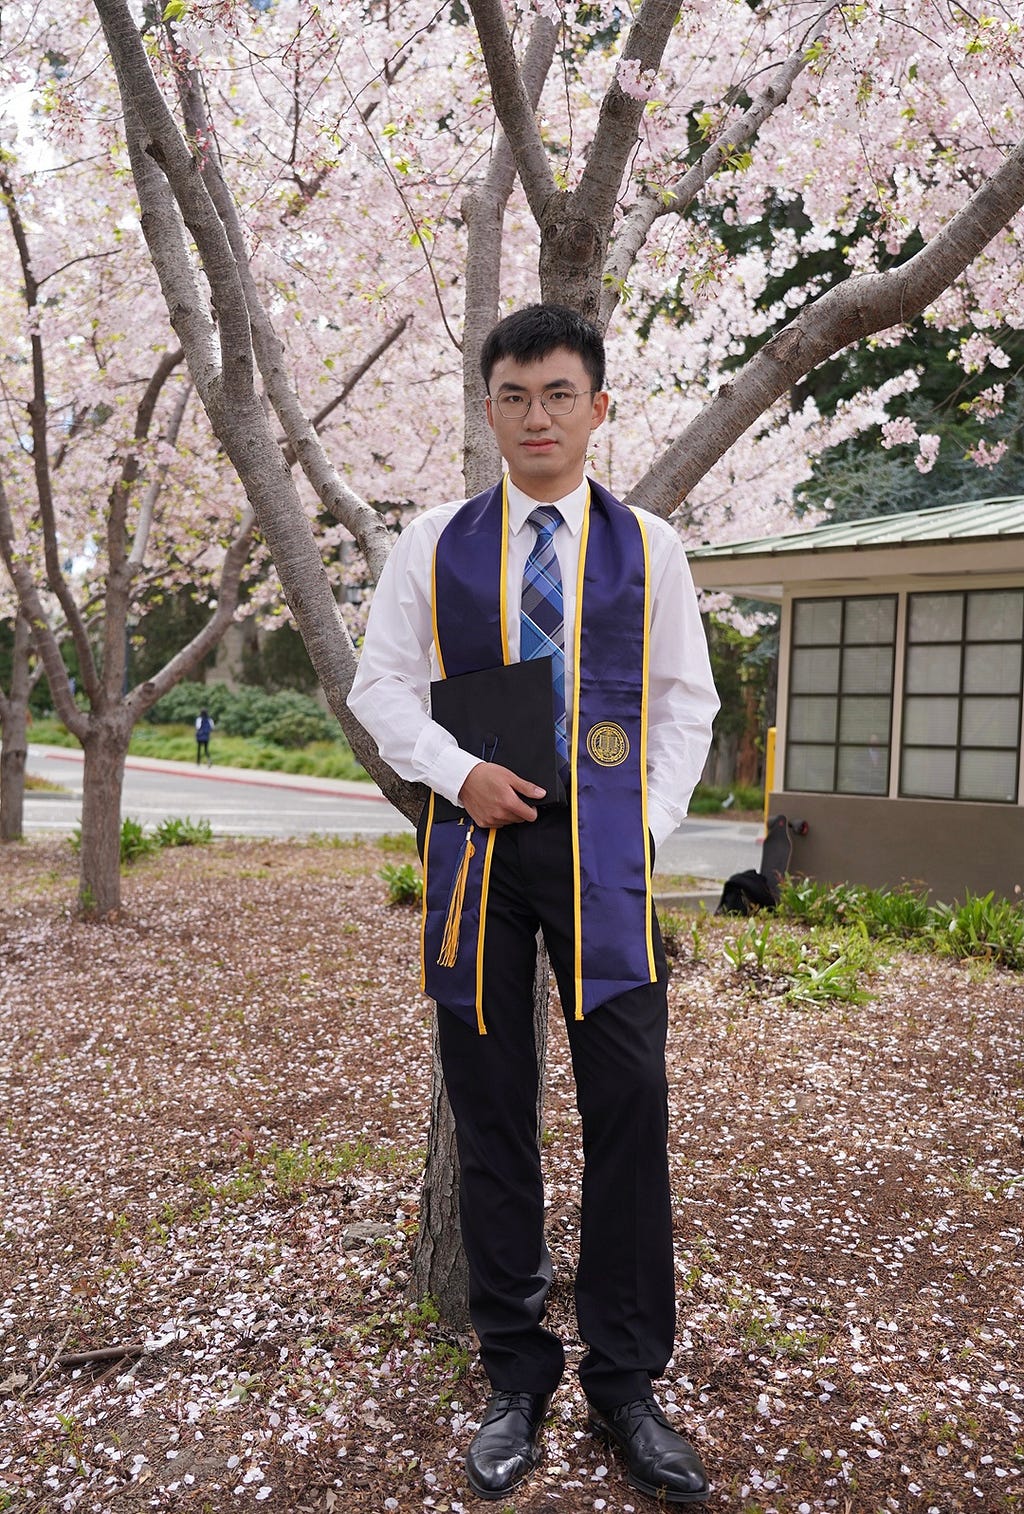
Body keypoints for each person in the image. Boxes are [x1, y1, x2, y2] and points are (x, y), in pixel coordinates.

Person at [348, 304, 719, 1506]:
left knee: (629, 1103)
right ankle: (515, 1372)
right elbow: (380, 685)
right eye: (513, 395)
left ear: (598, 407)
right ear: (490, 411)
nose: (537, 416)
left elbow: (687, 703)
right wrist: (457, 772)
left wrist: (641, 824)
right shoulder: (435, 543)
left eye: (559, 393)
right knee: (493, 1107)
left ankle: (626, 1378)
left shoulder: (650, 547)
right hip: (480, 855)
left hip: (608, 860)